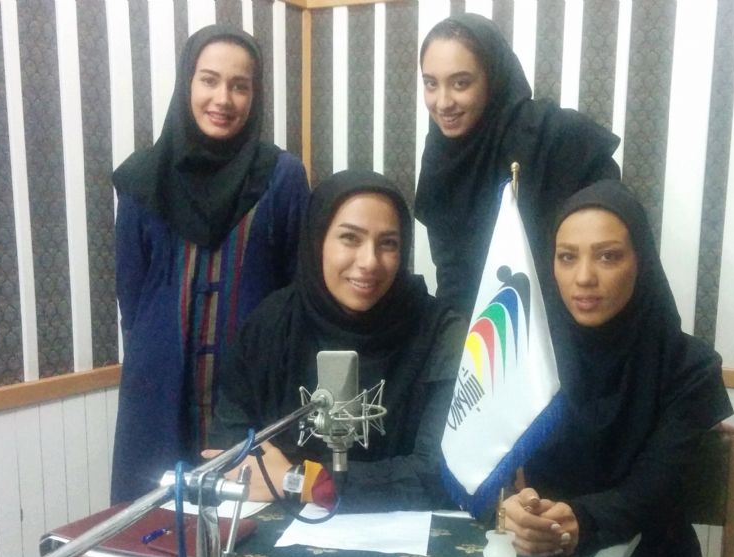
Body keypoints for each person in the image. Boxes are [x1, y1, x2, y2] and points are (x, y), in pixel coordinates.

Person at [503, 180, 732, 557]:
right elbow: (490, 459)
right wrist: (508, 508)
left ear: (640, 262)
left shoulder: (689, 367)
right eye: (567, 257)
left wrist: (580, 520)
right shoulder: (524, 355)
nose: (584, 277)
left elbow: (655, 486)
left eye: (607, 256)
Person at [110, 26, 309, 503]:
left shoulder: (281, 177)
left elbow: (297, 291)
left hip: (253, 394)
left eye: (240, 86)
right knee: (156, 522)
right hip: (158, 394)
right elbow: (131, 296)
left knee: (247, 520)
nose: (223, 98)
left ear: (255, 96)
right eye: (209, 80)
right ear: (188, 83)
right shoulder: (142, 177)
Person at [210, 170, 464, 512]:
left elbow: (443, 472)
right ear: (317, 241)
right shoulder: (271, 324)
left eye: (388, 243)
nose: (369, 262)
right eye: (350, 238)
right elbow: (230, 448)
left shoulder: (440, 332)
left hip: (403, 533)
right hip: (279, 526)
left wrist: (302, 481)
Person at [416, 13, 620, 317]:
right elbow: (452, 275)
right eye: (431, 84)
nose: (443, 102)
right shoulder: (441, 155)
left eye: (460, 83)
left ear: (493, 78)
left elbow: (607, 247)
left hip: (567, 324)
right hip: (479, 330)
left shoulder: (556, 138)